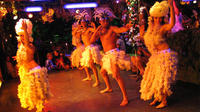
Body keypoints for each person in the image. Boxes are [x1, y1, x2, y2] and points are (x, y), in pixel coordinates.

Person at [139, 0, 178, 109]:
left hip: (165, 56)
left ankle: (164, 100)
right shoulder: (150, 29)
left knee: (162, 79)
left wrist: (171, 6)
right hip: (156, 56)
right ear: (153, 18)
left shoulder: (163, 27)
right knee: (154, 78)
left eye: (160, 17)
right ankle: (158, 97)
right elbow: (148, 42)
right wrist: (142, 34)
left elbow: (172, 24)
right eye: (156, 17)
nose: (158, 19)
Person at [91, 7, 132, 106]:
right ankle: (109, 87)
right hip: (106, 55)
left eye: (105, 19)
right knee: (103, 72)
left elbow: (120, 30)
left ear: (108, 20)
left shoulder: (112, 28)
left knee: (116, 75)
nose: (103, 22)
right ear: (99, 21)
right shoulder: (100, 31)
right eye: (101, 20)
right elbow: (92, 40)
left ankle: (125, 97)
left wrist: (126, 28)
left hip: (113, 54)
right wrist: (97, 29)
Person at [15, 18, 50, 112]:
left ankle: (41, 110)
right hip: (26, 73)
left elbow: (26, 41)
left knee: (38, 95)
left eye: (23, 36)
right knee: (33, 96)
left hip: (34, 71)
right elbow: (22, 55)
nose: (22, 37)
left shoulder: (30, 45)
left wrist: (25, 30)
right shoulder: (21, 47)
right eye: (20, 35)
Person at [77, 10, 102, 87]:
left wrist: (94, 26)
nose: (83, 23)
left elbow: (95, 31)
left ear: (86, 23)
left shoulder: (89, 29)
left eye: (84, 22)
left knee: (92, 64)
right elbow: (76, 35)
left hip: (91, 48)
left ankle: (97, 80)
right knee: (85, 64)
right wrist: (78, 28)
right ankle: (89, 76)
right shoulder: (81, 30)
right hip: (86, 49)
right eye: (82, 22)